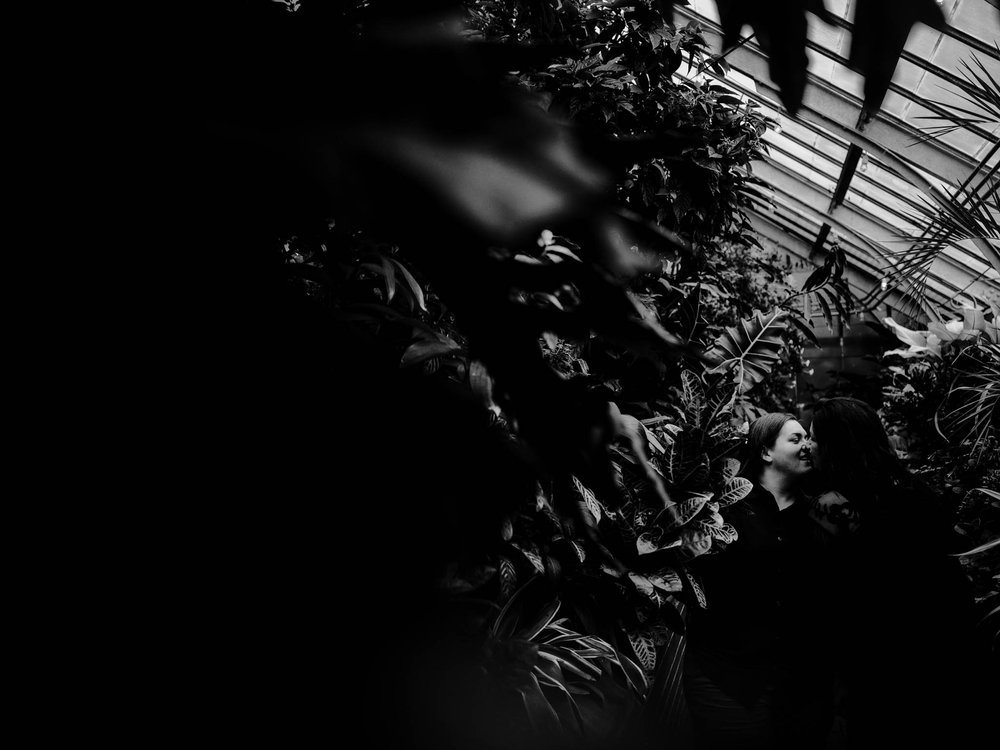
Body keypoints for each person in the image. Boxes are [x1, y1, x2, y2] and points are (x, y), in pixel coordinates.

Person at [806, 396, 993, 748]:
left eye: (814, 438)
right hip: (944, 647)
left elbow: (836, 588)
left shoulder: (831, 504)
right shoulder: (911, 488)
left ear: (835, 444)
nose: (809, 446)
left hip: (884, 660)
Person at [683, 413, 835, 749]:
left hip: (799, 684)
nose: (806, 446)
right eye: (795, 439)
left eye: (807, 439)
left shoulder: (819, 513)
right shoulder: (725, 511)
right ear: (766, 451)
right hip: (728, 677)